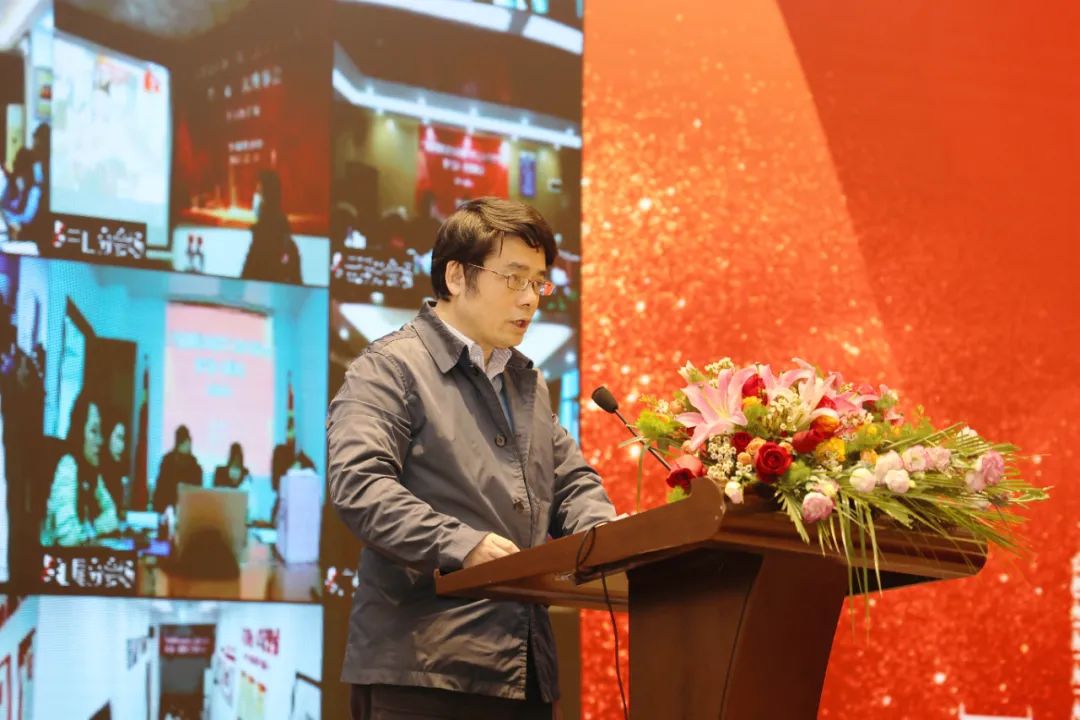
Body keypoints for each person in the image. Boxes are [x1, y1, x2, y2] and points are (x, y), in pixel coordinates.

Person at [327, 197, 616, 719]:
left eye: (539, 282)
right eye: (514, 278)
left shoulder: (526, 382)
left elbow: (570, 482)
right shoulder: (390, 368)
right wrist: (463, 544)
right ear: (457, 276)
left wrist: (609, 538)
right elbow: (360, 486)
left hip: (525, 671)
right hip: (423, 670)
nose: (530, 298)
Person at [40, 392, 119, 546]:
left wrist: (91, 529)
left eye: (102, 433)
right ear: (79, 431)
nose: (100, 441)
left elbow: (112, 515)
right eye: (94, 431)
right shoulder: (67, 466)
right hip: (52, 558)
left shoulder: (91, 470)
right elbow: (68, 538)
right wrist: (93, 529)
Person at [241, 169, 302, 285]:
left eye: (258, 192)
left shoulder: (261, 243)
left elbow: (245, 283)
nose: (254, 198)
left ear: (267, 198)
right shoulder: (289, 243)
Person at [152, 425, 204, 513]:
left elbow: (197, 490)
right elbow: (161, 488)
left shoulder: (195, 465)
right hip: (168, 507)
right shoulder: (168, 461)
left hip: (187, 507)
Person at [100, 417, 129, 512]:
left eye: (124, 439)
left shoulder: (121, 471)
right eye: (119, 437)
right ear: (108, 437)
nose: (122, 446)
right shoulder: (98, 473)